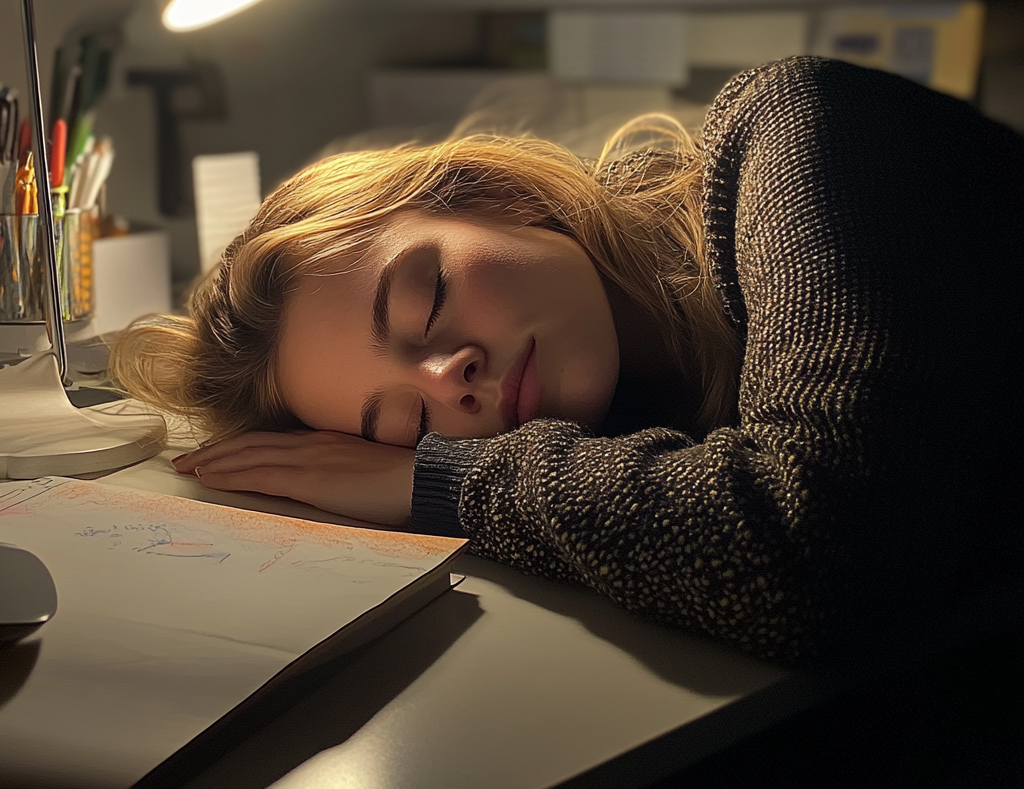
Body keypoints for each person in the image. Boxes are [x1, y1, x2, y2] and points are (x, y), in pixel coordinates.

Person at [111, 57, 1023, 665]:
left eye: (426, 300)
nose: (448, 381)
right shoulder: (631, 416)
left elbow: (820, 545)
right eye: (405, 425)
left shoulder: (798, 137)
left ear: (494, 195)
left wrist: (438, 481)